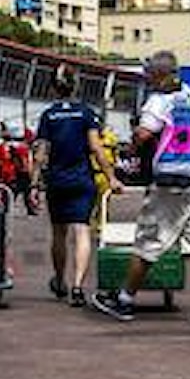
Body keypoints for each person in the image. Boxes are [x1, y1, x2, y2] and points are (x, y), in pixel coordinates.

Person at [90, 51, 190, 326]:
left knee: (148, 241)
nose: (147, 78)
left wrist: (132, 146)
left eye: (149, 73)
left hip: (170, 182)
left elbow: (144, 132)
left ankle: (126, 300)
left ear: (158, 74)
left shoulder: (159, 100)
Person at [31, 70, 121, 308]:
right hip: (82, 180)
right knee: (82, 232)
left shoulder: (48, 116)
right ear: (76, 87)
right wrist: (111, 177)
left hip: (57, 181)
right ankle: (78, 286)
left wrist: (33, 183)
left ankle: (60, 280)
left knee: (59, 233)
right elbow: (96, 148)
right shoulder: (86, 113)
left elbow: (40, 153)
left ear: (53, 88)